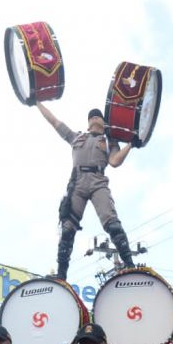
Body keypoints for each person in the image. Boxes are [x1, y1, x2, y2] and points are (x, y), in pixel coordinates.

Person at [36, 103, 135, 280]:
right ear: (88, 122)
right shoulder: (76, 137)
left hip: (98, 181)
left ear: (104, 123)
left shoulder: (108, 141)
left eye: (98, 117)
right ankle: (61, 275)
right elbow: (54, 121)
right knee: (67, 229)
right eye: (92, 117)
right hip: (77, 183)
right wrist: (36, 102)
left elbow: (115, 161)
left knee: (112, 223)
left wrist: (131, 144)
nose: (95, 118)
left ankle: (130, 265)